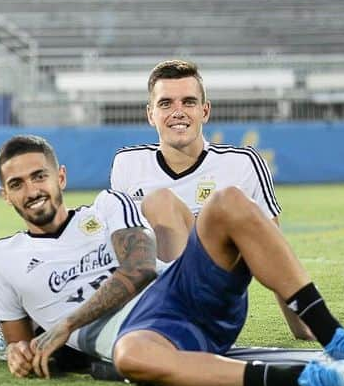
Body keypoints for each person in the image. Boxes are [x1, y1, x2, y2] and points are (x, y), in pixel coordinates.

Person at [0, 134, 344, 386]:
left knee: (226, 201)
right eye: (17, 184)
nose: (32, 190)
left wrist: (68, 324)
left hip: (174, 293)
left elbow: (140, 268)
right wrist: (20, 353)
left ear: (61, 178)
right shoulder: (0, 258)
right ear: (5, 194)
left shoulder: (110, 205)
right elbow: (20, 340)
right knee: (131, 355)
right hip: (143, 339)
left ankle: (339, 340)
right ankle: (305, 379)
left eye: (40, 177)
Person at [109, 58, 312, 340]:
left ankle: (178, 328)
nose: (177, 112)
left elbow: (273, 248)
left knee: (174, 203)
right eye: (166, 104)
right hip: (151, 309)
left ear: (205, 111)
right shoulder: (127, 163)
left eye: (188, 102)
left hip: (217, 306)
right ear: (150, 114)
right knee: (160, 205)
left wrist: (304, 326)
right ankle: (159, 328)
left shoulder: (242, 164)